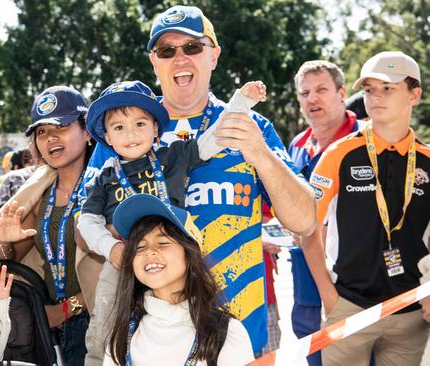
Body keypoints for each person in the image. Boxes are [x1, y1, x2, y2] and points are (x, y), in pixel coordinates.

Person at [84, 5, 316, 357]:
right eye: (167, 51)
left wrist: (260, 154)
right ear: (154, 61)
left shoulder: (250, 125)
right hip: (151, 334)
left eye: (193, 47)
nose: (180, 59)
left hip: (239, 325)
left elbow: (304, 220)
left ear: (214, 55)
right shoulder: (124, 133)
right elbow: (84, 228)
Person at [78, 79, 266, 361]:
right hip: (123, 259)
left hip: (175, 255)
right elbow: (86, 220)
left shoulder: (173, 156)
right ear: (107, 137)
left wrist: (241, 102)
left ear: (156, 129)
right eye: (119, 127)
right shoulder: (106, 176)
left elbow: (213, 139)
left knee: (198, 313)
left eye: (140, 124)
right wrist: (111, 248)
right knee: (104, 330)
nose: (130, 134)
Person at [303, 51, 429, 365]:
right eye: (370, 89)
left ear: (414, 95)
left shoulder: (427, 159)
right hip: (347, 305)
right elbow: (307, 230)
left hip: (411, 310)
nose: (375, 97)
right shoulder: (338, 154)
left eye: (388, 88)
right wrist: (329, 298)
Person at [0, 86, 93, 366]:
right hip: (45, 324)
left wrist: (68, 309)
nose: (51, 137)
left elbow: (119, 267)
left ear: (88, 131)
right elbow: (4, 263)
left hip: (97, 323)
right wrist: (6, 241)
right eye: (42, 131)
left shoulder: (106, 186)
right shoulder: (37, 192)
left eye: (62, 125)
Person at [103, 193, 254, 365]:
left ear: (189, 254)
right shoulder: (122, 337)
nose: (149, 251)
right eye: (140, 246)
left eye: (163, 243)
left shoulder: (226, 332)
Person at [288, 60, 363, 366]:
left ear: (342, 93)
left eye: (321, 90)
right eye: (304, 93)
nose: (312, 99)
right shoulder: (296, 147)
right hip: (305, 268)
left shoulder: (368, 139)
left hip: (359, 273)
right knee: (310, 339)